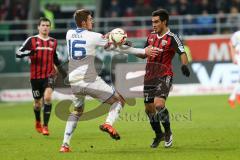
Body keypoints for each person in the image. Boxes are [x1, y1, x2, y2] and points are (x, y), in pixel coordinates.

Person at [59, 9, 155, 152]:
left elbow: (108, 42)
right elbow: (119, 48)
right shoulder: (94, 36)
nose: (93, 21)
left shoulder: (69, 34)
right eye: (91, 19)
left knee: (77, 111)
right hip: (89, 79)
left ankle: (65, 145)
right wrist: (142, 52)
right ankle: (108, 124)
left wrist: (111, 38)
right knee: (119, 100)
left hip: (73, 81)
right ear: (84, 22)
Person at [136, 9, 190, 148]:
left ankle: (167, 132)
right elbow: (143, 54)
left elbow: (182, 52)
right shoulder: (150, 37)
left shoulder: (172, 37)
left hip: (164, 75)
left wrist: (184, 65)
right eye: (152, 22)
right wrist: (131, 47)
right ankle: (158, 134)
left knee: (159, 104)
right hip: (149, 77)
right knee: (149, 109)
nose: (153, 24)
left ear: (164, 21)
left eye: (156, 22)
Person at [16, 17, 66, 136]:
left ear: (50, 27)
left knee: (48, 98)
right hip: (35, 77)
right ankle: (38, 121)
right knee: (37, 103)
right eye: (43, 25)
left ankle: (45, 126)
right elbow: (18, 53)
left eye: (47, 25)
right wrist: (29, 52)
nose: (45, 27)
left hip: (49, 75)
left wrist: (64, 74)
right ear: (38, 27)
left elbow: (55, 59)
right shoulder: (32, 40)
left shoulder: (53, 42)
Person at [228, 30, 240, 108]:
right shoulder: (237, 34)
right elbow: (231, 44)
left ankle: (237, 95)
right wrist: (233, 57)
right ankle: (232, 98)